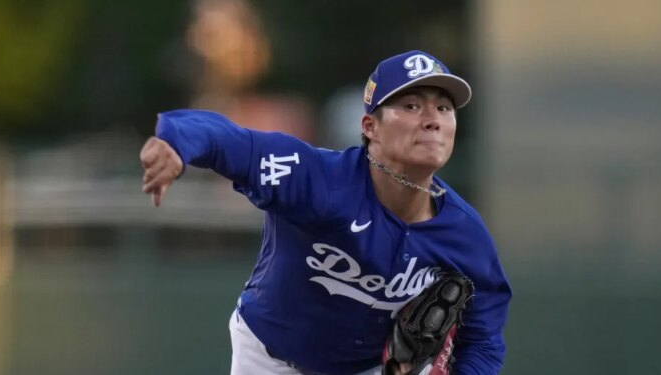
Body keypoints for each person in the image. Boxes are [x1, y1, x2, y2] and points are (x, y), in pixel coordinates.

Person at [140, 50, 512, 375]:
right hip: (269, 358)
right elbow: (232, 141)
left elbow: (484, 339)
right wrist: (177, 142)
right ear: (370, 128)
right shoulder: (317, 180)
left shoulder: (465, 233)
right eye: (411, 106)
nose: (432, 119)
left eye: (443, 108)